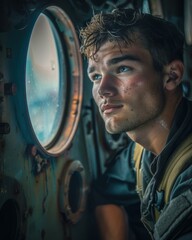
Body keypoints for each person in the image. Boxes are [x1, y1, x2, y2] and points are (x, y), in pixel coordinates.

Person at [79, 8, 192, 240]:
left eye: (122, 69)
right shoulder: (141, 154)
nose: (103, 90)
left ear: (171, 76)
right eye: (96, 77)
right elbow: (105, 191)